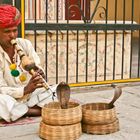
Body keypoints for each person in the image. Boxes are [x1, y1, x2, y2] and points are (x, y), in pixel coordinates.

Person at [0, 4, 57, 122]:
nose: (12, 35)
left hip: (30, 96)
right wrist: (25, 90)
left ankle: (19, 111)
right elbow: (1, 89)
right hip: (9, 98)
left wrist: (40, 73)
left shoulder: (25, 44)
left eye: (15, 30)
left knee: (56, 91)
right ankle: (32, 111)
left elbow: (38, 66)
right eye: (7, 31)